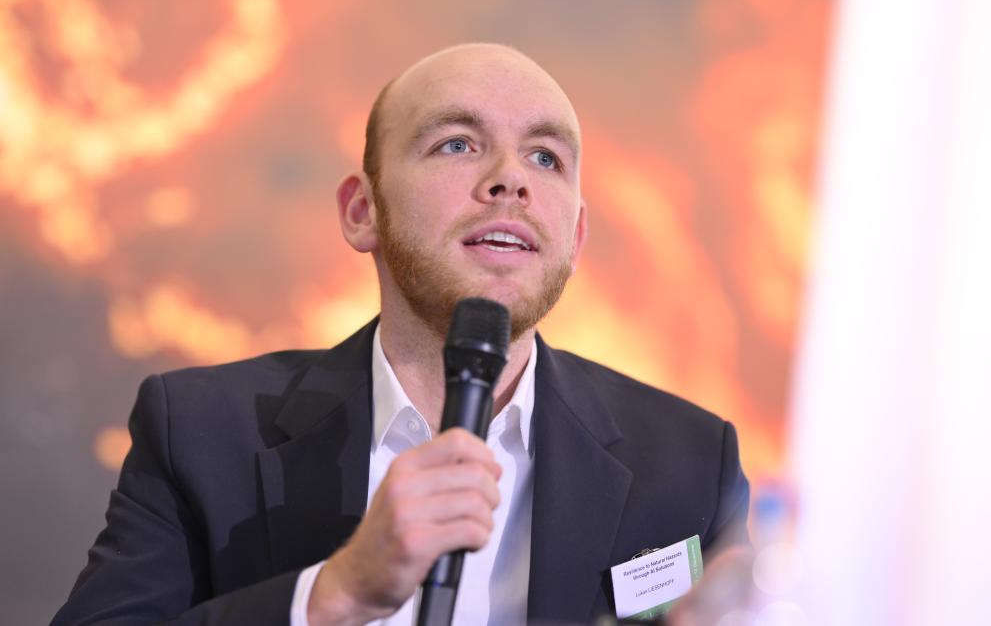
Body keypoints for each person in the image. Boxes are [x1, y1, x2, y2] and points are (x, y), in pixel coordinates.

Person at [53, 44, 750, 626]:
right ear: (363, 211)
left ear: (575, 236)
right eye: (457, 144)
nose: (510, 179)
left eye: (545, 158)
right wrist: (333, 594)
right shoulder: (201, 430)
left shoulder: (689, 463)